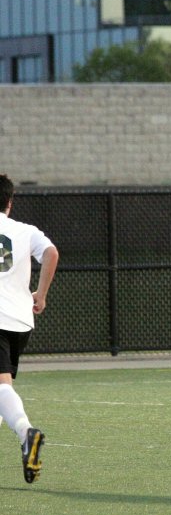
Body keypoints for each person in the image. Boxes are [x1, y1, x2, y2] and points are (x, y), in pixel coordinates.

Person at [0, 174, 58, 482]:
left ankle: (26, 434)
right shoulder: (25, 231)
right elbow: (51, 253)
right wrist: (41, 294)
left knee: (1, 387)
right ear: (9, 203)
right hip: (21, 321)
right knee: (1, 388)